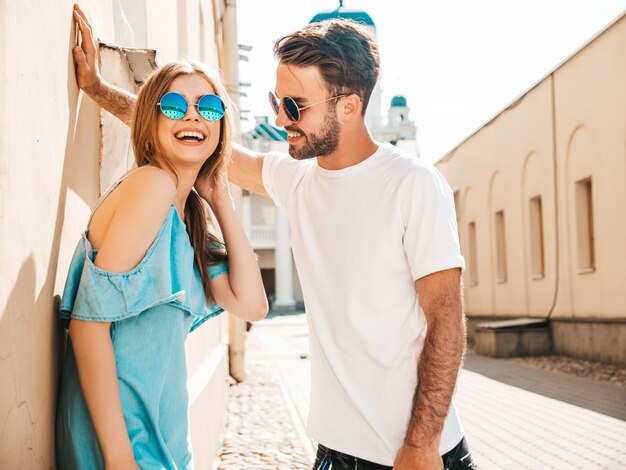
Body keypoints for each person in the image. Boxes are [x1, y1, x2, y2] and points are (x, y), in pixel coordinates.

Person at [72, 5, 475, 469]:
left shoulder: (413, 184)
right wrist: (99, 90)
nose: (281, 119)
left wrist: (422, 443)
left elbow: (447, 322)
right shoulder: (299, 181)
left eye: (295, 106)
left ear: (349, 105)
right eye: (275, 101)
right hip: (335, 452)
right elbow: (193, 133)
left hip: (419, 454)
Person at [57, 57, 268, 469]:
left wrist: (220, 199)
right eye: (174, 106)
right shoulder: (151, 185)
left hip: (167, 447)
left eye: (209, 108)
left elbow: (252, 305)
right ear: (149, 122)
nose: (193, 115)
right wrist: (120, 459)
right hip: (124, 449)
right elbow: (87, 326)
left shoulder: (185, 218)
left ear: (221, 127)